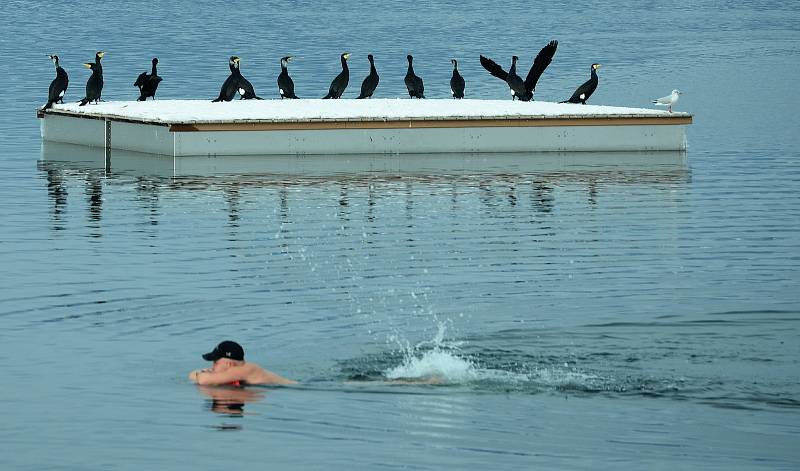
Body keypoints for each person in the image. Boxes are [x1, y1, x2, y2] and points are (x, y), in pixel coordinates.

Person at [189, 340, 296, 386]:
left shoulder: (243, 370)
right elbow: (192, 374)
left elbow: (203, 380)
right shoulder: (239, 369)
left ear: (229, 364)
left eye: (215, 363)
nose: (212, 366)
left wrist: (204, 373)